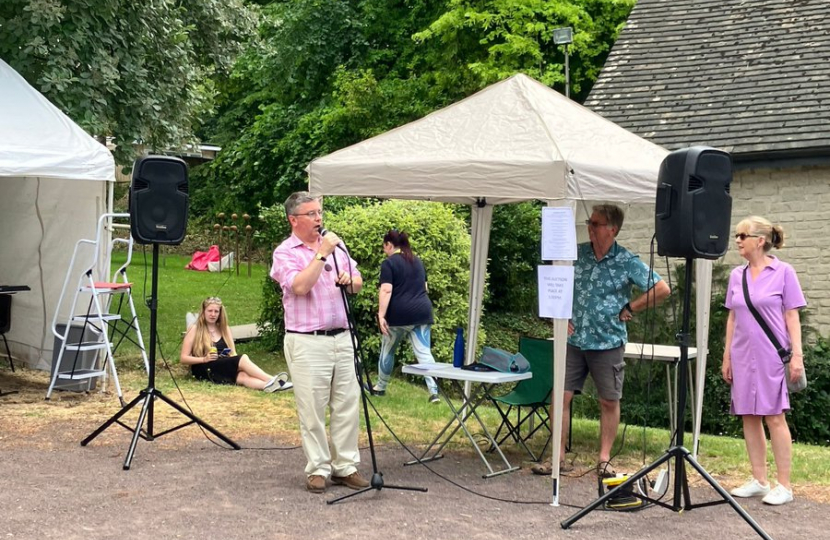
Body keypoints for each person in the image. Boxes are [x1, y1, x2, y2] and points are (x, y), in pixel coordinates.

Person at [532, 204, 671, 477]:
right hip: (574, 340)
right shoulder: (577, 254)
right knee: (561, 396)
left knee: (608, 400)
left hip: (607, 341)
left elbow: (662, 288)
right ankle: (557, 457)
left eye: (595, 224)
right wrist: (556, 315)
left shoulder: (626, 260)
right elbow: (553, 281)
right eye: (589, 223)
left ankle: (604, 459)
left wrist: (632, 307)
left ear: (612, 229)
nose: (590, 228)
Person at [270, 191, 369, 494]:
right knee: (312, 408)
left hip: (342, 337)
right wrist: (322, 254)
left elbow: (358, 280)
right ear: (293, 219)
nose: (318, 219)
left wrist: (349, 281)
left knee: (347, 404)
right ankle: (317, 469)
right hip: (307, 341)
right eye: (311, 214)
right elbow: (299, 286)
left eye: (319, 212)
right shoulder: (285, 252)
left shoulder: (336, 248)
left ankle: (345, 467)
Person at [722, 216, 805, 506]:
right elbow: (732, 316)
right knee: (749, 415)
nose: (737, 241)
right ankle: (759, 480)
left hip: (772, 355)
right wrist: (726, 356)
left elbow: (792, 315)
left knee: (774, 416)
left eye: (742, 235)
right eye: (736, 236)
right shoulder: (736, 276)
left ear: (760, 240)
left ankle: (784, 485)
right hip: (743, 354)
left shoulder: (784, 272)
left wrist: (797, 356)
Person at [373, 230, 440, 403]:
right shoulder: (417, 261)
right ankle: (434, 393)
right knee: (424, 353)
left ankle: (380, 387)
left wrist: (381, 316)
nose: (384, 251)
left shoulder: (389, 263)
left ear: (389, 245)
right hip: (422, 311)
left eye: (384, 247)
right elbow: (424, 288)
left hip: (399, 314)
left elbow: (386, 290)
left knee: (388, 350)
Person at [180, 297, 292, 392]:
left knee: (242, 376)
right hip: (204, 367)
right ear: (203, 312)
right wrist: (204, 359)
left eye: (216, 311)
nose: (213, 314)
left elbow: (233, 353)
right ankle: (271, 379)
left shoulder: (224, 329)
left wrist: (228, 357)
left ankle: (270, 386)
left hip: (221, 363)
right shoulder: (195, 329)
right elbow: (183, 358)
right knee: (243, 358)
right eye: (210, 311)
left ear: (220, 313)